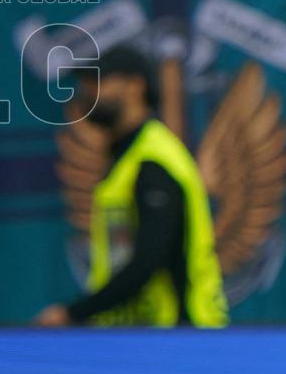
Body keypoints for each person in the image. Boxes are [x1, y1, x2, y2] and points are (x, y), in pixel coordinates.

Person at [36, 45, 227, 327]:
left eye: (99, 81)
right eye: (86, 82)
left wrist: (72, 314)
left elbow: (147, 262)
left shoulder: (154, 161)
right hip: (140, 336)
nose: (88, 91)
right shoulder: (127, 157)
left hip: (178, 336)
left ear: (135, 86)